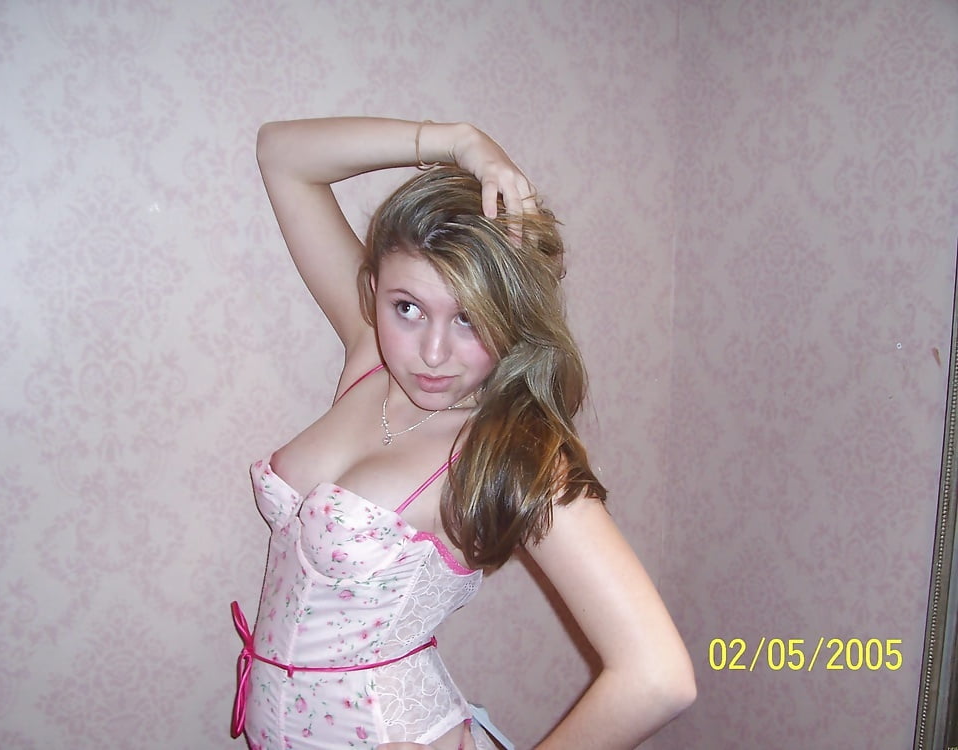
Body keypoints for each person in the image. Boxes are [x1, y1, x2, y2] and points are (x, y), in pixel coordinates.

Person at [229, 117, 696, 750]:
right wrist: (457, 141)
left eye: (470, 319)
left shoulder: (509, 451)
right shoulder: (371, 359)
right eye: (408, 308)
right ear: (374, 291)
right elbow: (282, 156)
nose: (432, 353)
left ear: (512, 317)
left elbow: (659, 677)